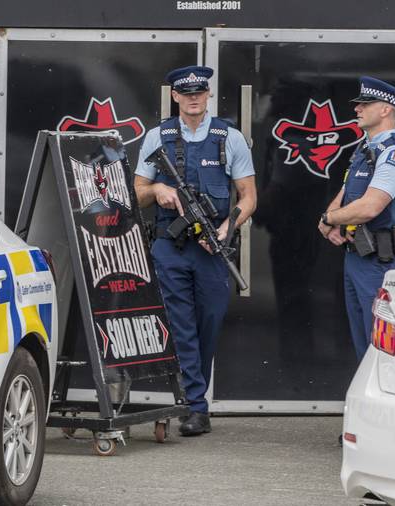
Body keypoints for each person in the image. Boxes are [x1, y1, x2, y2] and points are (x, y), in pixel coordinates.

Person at [134, 65, 257, 436]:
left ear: (207, 95)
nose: (192, 98)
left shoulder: (228, 137)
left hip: (212, 248)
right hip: (171, 247)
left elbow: (249, 197)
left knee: (210, 322)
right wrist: (157, 191)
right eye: (185, 93)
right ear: (174, 97)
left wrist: (226, 227)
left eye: (199, 92)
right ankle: (196, 406)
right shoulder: (158, 136)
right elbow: (137, 191)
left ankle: (194, 395)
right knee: (182, 324)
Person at [318, 76, 395, 362]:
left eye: (366, 104)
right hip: (358, 257)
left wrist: (329, 217)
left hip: (382, 262)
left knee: (381, 348)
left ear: (386, 110)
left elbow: (369, 207)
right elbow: (345, 194)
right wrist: (331, 221)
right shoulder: (365, 152)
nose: (357, 109)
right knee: (363, 346)